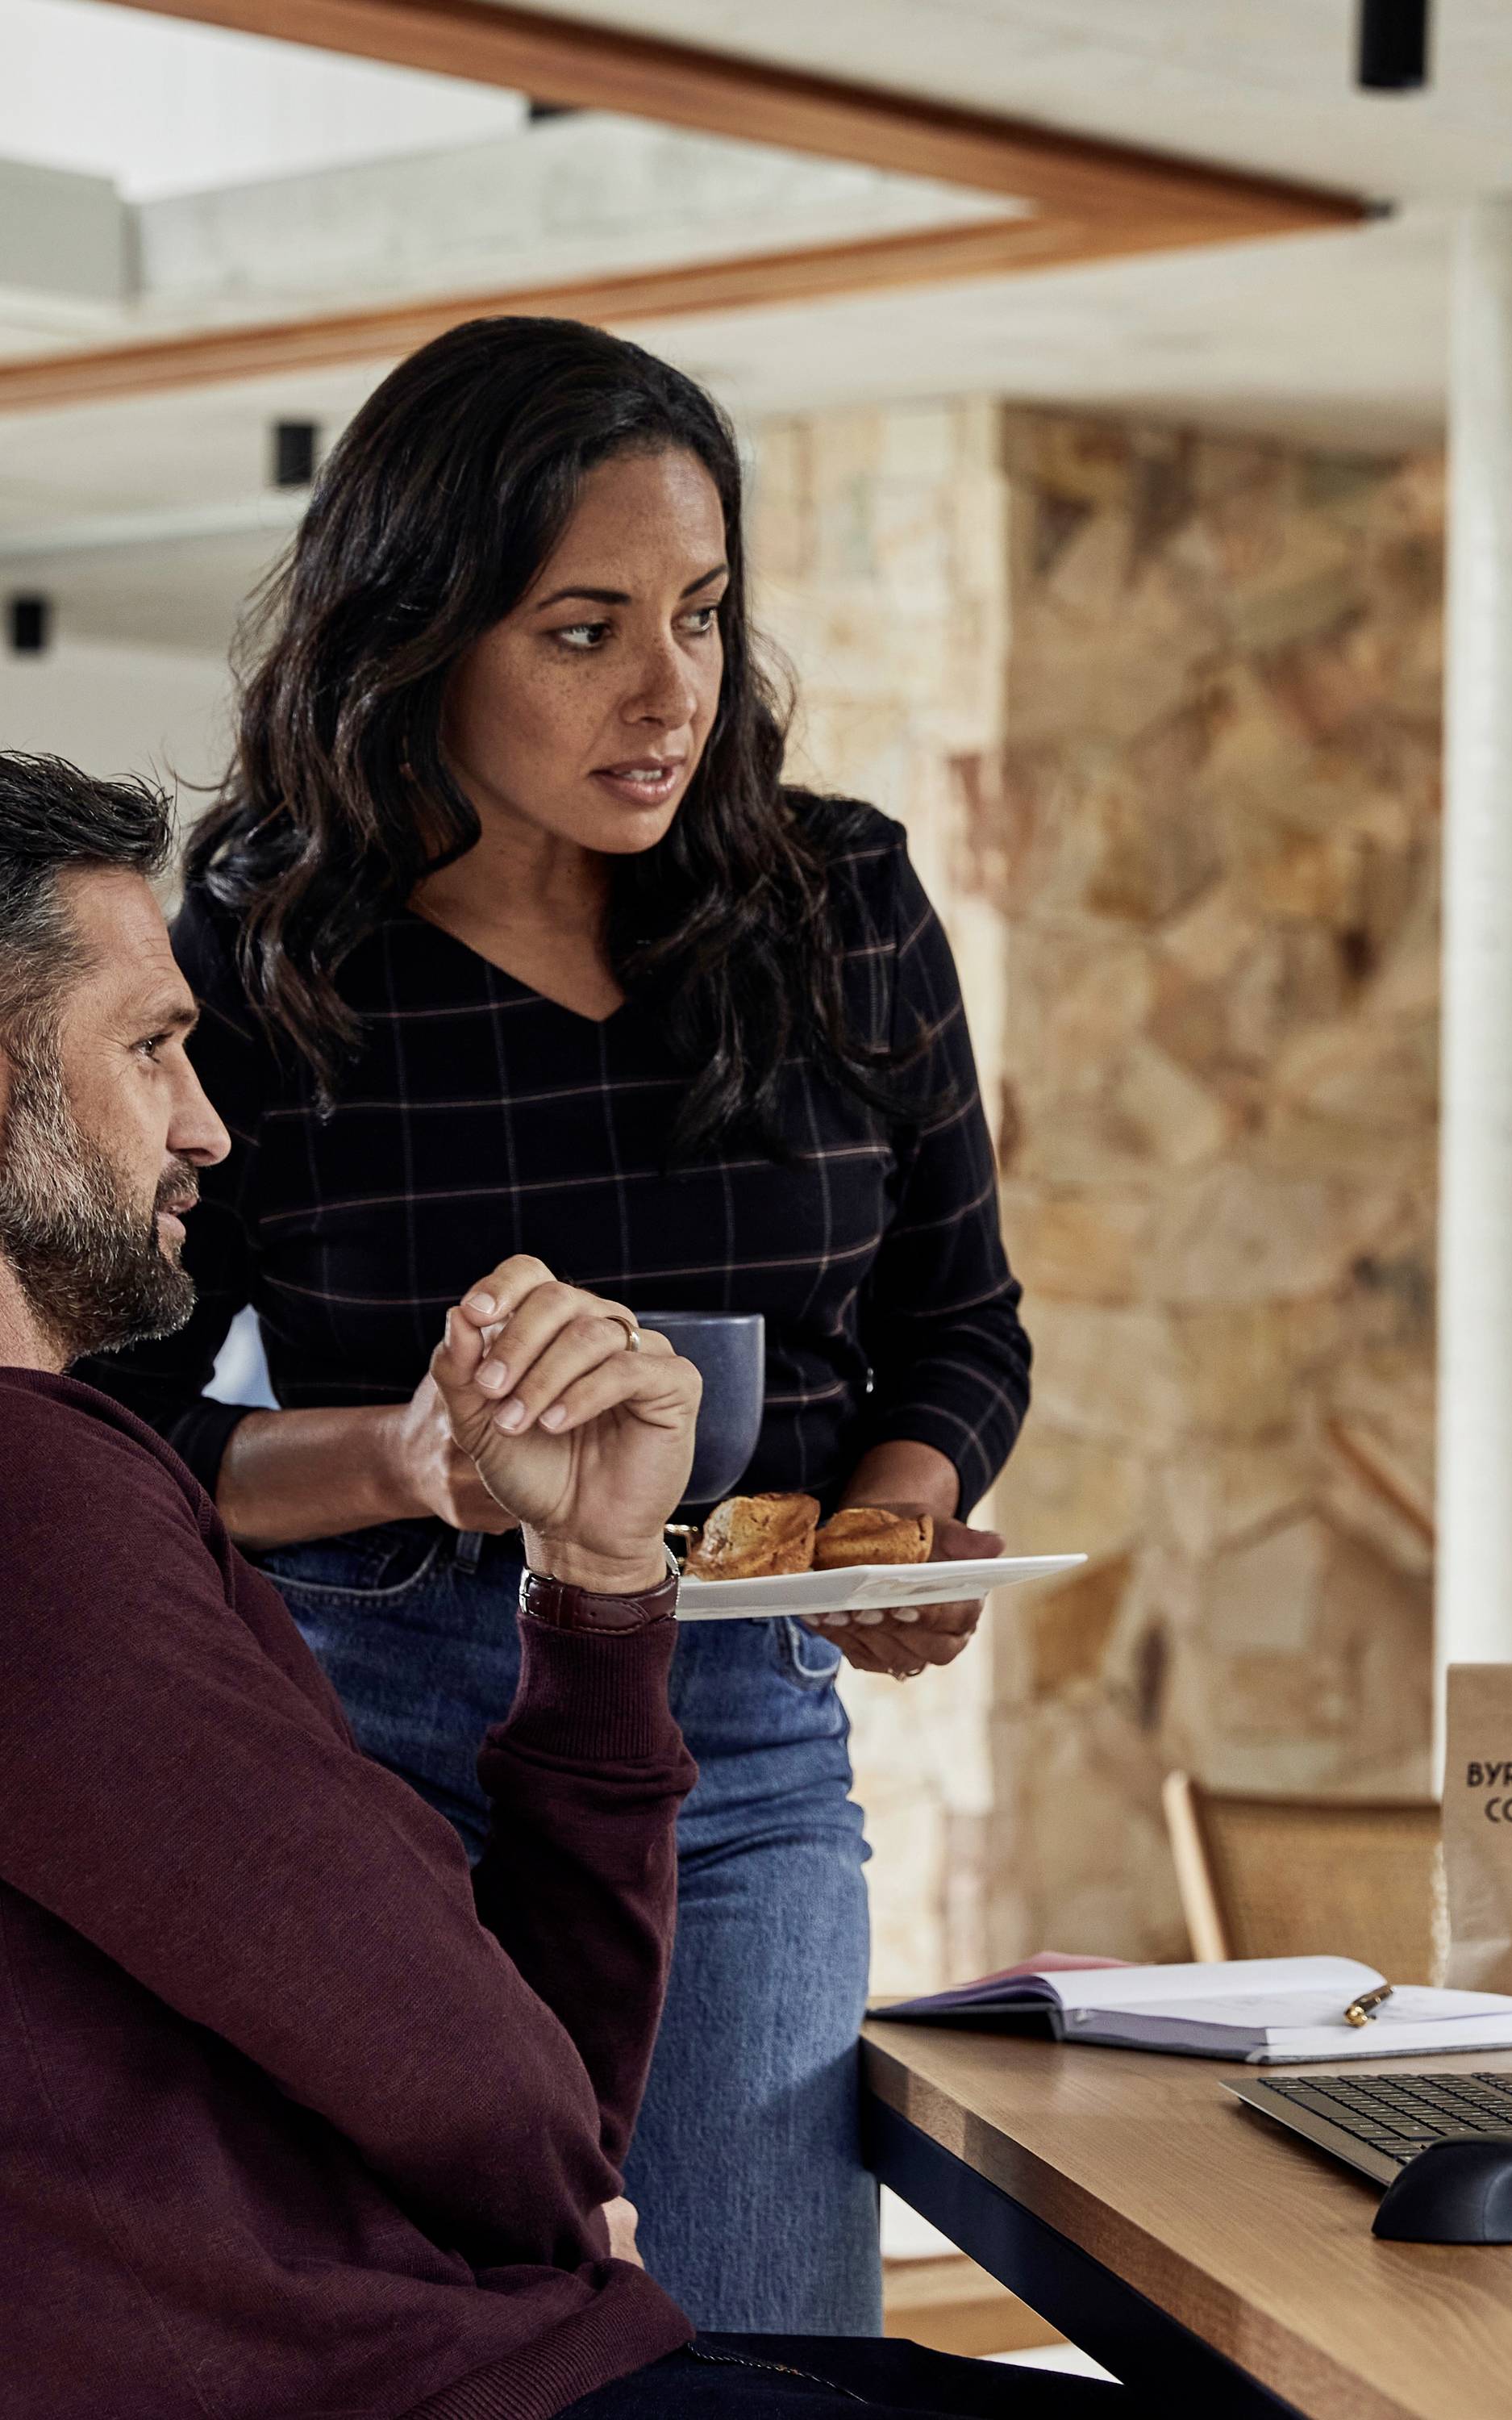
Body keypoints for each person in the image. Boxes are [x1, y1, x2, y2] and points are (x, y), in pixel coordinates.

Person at [86, 316, 1032, 2332]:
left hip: (737, 1738)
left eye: (702, 614)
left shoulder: (845, 905)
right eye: (584, 631)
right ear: (420, 635)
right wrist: (407, 1460)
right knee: (421, 2354)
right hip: (362, 1743)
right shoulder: (258, 965)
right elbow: (117, 1433)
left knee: (753, 2351)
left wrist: (886, 1527)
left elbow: (962, 1323)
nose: (670, 692)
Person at [0, 756, 1127, 2418]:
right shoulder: (42, 1503)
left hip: (471, 2343)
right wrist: (546, 2195)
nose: (208, 1126)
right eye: (153, 1047)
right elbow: (506, 2106)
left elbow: (528, 2098)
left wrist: (599, 1573)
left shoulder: (72, 1499)